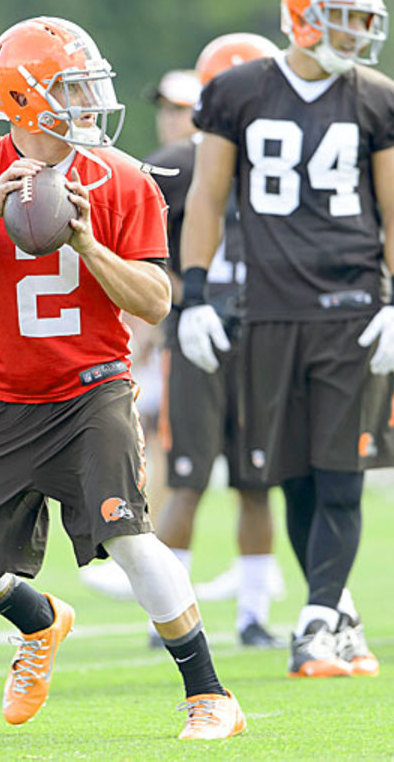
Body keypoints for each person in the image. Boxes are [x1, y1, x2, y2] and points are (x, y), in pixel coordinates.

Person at [0, 16, 245, 740]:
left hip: (92, 389)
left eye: (88, 84)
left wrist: (85, 240)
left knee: (132, 538)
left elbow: (153, 301)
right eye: (71, 87)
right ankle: (39, 622)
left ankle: (211, 694)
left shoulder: (125, 178)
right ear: (21, 99)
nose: (87, 101)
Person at [179, 0, 394, 679]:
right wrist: (194, 296)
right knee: (293, 475)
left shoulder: (381, 100)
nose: (362, 31)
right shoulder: (239, 92)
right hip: (269, 309)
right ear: (305, 17)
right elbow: (206, 199)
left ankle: (314, 624)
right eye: (349, 16)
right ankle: (338, 611)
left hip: (352, 307)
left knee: (342, 474)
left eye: (366, 17)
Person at [154, 33, 284, 650]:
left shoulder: (284, 157)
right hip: (199, 331)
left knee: (257, 480)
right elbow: (142, 253)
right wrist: (187, 295)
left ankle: (254, 612)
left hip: (262, 329)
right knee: (188, 478)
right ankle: (169, 616)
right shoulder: (178, 162)